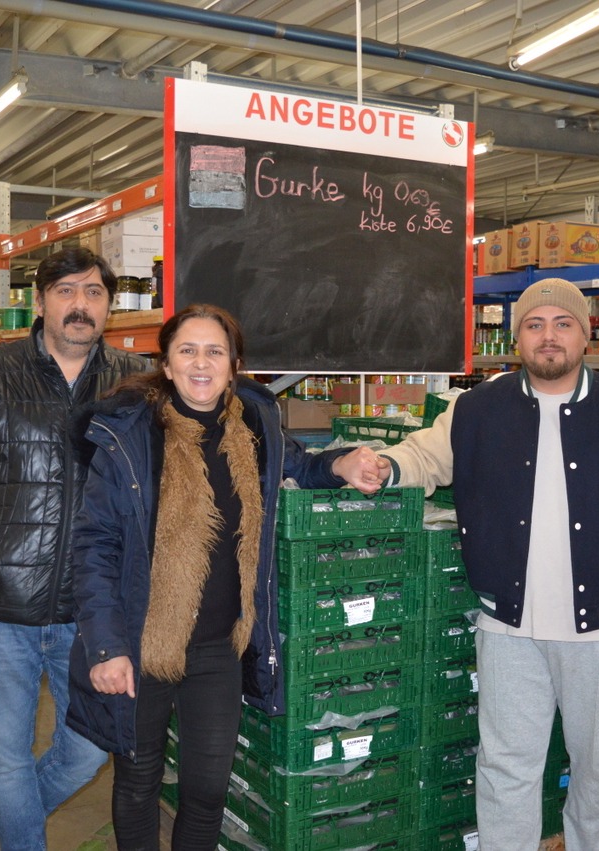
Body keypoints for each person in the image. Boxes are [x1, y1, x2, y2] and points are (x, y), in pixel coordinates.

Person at [350, 278, 599, 850]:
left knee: (598, 773)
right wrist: (384, 466)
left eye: (563, 324)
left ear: (584, 337)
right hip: (509, 629)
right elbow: (423, 455)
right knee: (505, 767)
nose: (548, 336)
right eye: (534, 325)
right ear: (518, 339)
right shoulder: (475, 409)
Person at [64, 303, 377, 851]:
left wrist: (341, 464)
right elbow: (94, 547)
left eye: (215, 351)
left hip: (218, 645)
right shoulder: (131, 435)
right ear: (166, 364)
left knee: (207, 792)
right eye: (187, 351)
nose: (201, 363)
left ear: (234, 365)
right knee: (138, 783)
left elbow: (300, 465)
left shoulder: (255, 425)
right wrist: (106, 647)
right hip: (140, 641)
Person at [0, 247, 149, 851]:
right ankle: (17, 825)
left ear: (109, 305)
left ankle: (11, 813)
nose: (80, 304)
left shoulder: (136, 383)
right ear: (41, 302)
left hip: (92, 612)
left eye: (94, 292)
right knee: (5, 757)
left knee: (89, 747)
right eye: (66, 291)